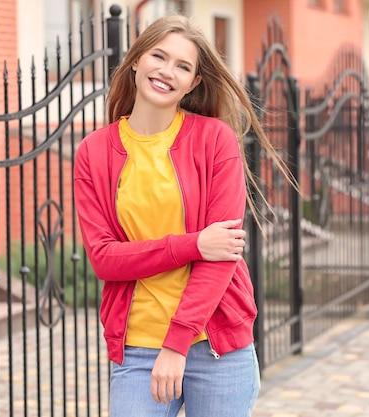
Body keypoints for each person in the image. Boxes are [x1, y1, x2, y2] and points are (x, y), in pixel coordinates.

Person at [74, 13, 294, 417]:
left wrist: (177, 343)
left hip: (216, 346)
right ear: (137, 60)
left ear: (194, 82)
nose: (166, 71)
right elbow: (105, 259)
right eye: (159, 56)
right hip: (138, 347)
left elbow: (222, 255)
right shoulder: (94, 151)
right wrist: (193, 244)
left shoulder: (214, 140)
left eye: (183, 66)